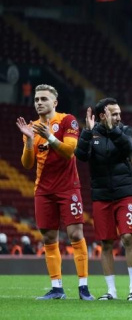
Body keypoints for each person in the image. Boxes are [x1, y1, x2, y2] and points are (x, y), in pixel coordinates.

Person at [16, 84, 94, 300]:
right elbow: (27, 164)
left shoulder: (67, 120)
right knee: (49, 237)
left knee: (75, 234)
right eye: (36, 99)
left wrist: (50, 136)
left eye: (44, 99)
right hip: (43, 190)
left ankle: (83, 287)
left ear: (55, 102)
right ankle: (57, 288)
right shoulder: (31, 128)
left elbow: (69, 152)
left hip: (68, 187)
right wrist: (29, 141)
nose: (39, 102)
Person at [74, 97, 132, 301]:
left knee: (128, 237)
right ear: (103, 115)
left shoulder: (125, 130)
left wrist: (113, 130)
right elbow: (81, 155)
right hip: (101, 195)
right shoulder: (91, 133)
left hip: (124, 193)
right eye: (114, 113)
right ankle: (111, 291)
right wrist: (86, 132)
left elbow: (128, 147)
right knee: (106, 243)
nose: (119, 117)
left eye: (119, 113)